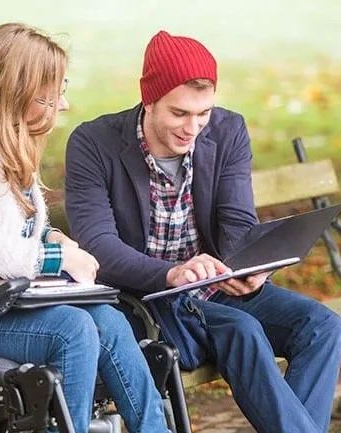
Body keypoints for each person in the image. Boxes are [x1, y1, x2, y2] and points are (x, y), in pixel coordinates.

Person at [65, 30, 341, 433]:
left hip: (216, 288)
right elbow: (98, 246)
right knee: (241, 330)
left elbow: (236, 224)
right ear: (149, 98)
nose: (192, 128)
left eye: (203, 113)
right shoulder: (94, 143)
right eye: (179, 113)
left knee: (323, 326)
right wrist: (170, 273)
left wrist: (252, 265)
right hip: (149, 299)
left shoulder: (226, 131)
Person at [0, 23, 170, 433]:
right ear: (19, 88)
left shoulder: (3, 138)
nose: (63, 105)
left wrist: (52, 238)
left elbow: (15, 228)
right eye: (54, 92)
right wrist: (57, 257)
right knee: (73, 330)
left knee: (109, 319)